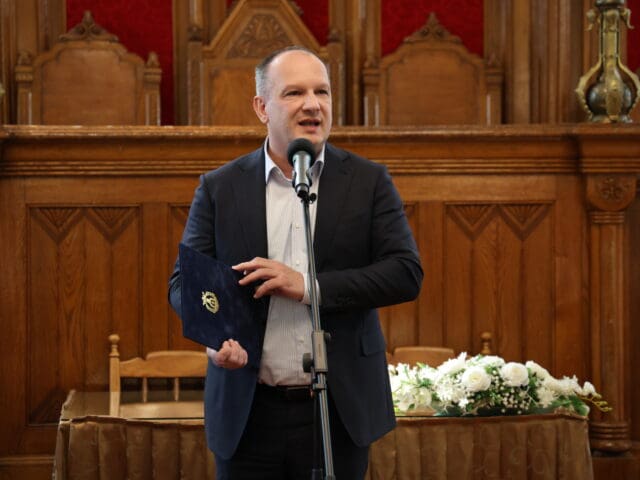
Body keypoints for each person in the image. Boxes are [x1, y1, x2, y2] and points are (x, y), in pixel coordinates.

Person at [168, 45, 423, 479]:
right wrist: (213, 337)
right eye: (294, 93)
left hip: (337, 410)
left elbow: (405, 273)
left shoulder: (368, 181)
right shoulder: (220, 187)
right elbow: (184, 284)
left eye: (322, 92)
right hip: (248, 411)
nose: (312, 104)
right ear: (261, 107)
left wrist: (307, 286)